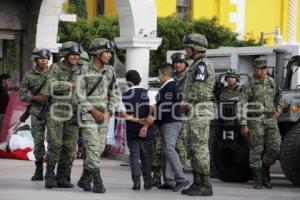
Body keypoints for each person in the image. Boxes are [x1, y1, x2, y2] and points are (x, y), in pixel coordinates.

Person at [76, 38, 120, 193]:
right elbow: (79, 94)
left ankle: (84, 178)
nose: (109, 55)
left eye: (109, 52)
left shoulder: (110, 71)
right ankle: (98, 181)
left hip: (104, 116)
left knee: (99, 148)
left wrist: (109, 111)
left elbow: (115, 93)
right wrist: (92, 110)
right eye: (106, 52)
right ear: (96, 52)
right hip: (89, 116)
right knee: (93, 148)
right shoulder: (84, 70)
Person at [239, 56, 284, 189]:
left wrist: (279, 109)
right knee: (256, 150)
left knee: (275, 148)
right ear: (255, 69)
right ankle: (258, 179)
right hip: (255, 120)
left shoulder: (271, 82)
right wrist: (243, 124)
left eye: (265, 68)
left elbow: (280, 97)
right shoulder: (248, 85)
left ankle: (264, 170)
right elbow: (242, 105)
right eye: (261, 68)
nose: (263, 71)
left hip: (270, 119)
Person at [44, 41, 82, 189]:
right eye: (73, 54)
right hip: (57, 112)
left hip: (73, 112)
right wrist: (68, 84)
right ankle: (49, 175)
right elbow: (50, 86)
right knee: (55, 144)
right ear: (65, 55)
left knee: (69, 147)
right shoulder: (55, 68)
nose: (76, 57)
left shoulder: (80, 70)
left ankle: (63, 177)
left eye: (77, 55)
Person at [181, 33, 215, 196]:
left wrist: (186, 103)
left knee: (200, 148)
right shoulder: (196, 65)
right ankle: (197, 182)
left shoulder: (202, 65)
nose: (186, 51)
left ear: (196, 48)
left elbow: (200, 91)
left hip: (199, 110)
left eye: (188, 48)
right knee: (193, 148)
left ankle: (206, 185)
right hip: (193, 110)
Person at [155, 63, 189, 192]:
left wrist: (153, 117)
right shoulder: (170, 86)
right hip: (169, 121)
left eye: (159, 74)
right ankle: (169, 180)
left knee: (169, 149)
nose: (158, 77)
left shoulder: (169, 87)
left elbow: (164, 106)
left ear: (164, 74)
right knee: (167, 150)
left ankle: (181, 179)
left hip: (170, 122)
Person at [19, 48, 51, 181]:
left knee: (53, 141)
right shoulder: (29, 75)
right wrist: (36, 98)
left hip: (53, 111)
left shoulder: (54, 73)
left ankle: (50, 170)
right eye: (42, 59)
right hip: (36, 111)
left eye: (46, 59)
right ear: (36, 60)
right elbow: (22, 94)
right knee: (38, 141)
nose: (45, 61)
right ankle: (39, 169)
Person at [120, 70, 154, 190]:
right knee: (146, 156)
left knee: (134, 156)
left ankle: (136, 182)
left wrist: (137, 120)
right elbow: (152, 109)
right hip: (147, 129)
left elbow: (123, 115)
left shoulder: (124, 96)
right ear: (140, 80)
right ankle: (148, 181)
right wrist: (145, 124)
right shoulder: (147, 93)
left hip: (132, 129)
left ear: (127, 82)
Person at [172, 52, 189, 170]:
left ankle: (180, 170)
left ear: (185, 64)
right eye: (175, 62)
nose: (177, 65)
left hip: (185, 115)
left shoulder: (190, 77)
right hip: (172, 114)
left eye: (180, 62)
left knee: (180, 144)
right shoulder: (171, 78)